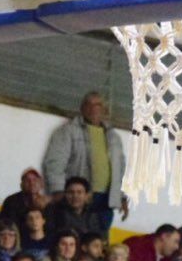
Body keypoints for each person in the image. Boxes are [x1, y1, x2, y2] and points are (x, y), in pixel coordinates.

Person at [42, 91, 128, 233]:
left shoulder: (114, 137)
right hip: (78, 197)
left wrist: (121, 196)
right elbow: (55, 162)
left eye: (98, 105)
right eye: (89, 104)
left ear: (104, 109)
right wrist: (58, 189)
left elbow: (120, 169)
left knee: (99, 241)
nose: (94, 108)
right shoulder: (68, 131)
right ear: (82, 108)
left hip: (106, 199)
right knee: (74, 236)